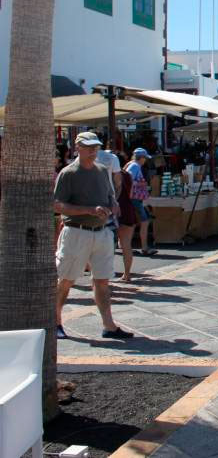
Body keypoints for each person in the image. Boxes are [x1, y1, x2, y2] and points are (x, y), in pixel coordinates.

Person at [54, 132, 133, 340]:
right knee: (66, 279)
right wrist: (88, 210)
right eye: (89, 147)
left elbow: (109, 195)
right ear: (77, 147)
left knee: (102, 281)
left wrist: (113, 205)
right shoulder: (68, 173)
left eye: (96, 147)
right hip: (77, 232)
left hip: (102, 232)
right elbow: (58, 205)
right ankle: (55, 321)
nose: (93, 151)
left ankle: (109, 325)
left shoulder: (100, 170)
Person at [123, 148, 157, 255]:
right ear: (141, 158)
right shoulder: (135, 166)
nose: (145, 160)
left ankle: (125, 245)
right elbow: (128, 180)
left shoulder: (132, 164)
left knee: (132, 223)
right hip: (134, 199)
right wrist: (140, 184)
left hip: (132, 198)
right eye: (145, 158)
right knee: (144, 221)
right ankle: (144, 248)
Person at [115, 152, 137, 282]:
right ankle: (127, 274)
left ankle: (103, 275)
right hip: (128, 209)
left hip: (115, 210)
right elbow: (132, 193)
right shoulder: (127, 175)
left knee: (107, 245)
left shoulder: (111, 175)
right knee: (126, 245)